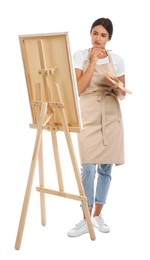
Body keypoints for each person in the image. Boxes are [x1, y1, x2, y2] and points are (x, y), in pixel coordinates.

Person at [67, 17, 126, 237]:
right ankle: (86, 219)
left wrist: (116, 86)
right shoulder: (80, 56)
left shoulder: (117, 59)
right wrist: (92, 62)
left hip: (111, 115)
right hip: (88, 115)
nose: (98, 38)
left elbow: (122, 94)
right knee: (88, 168)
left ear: (109, 38)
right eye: (95, 33)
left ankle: (98, 215)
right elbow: (78, 89)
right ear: (90, 34)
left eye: (103, 35)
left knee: (105, 168)